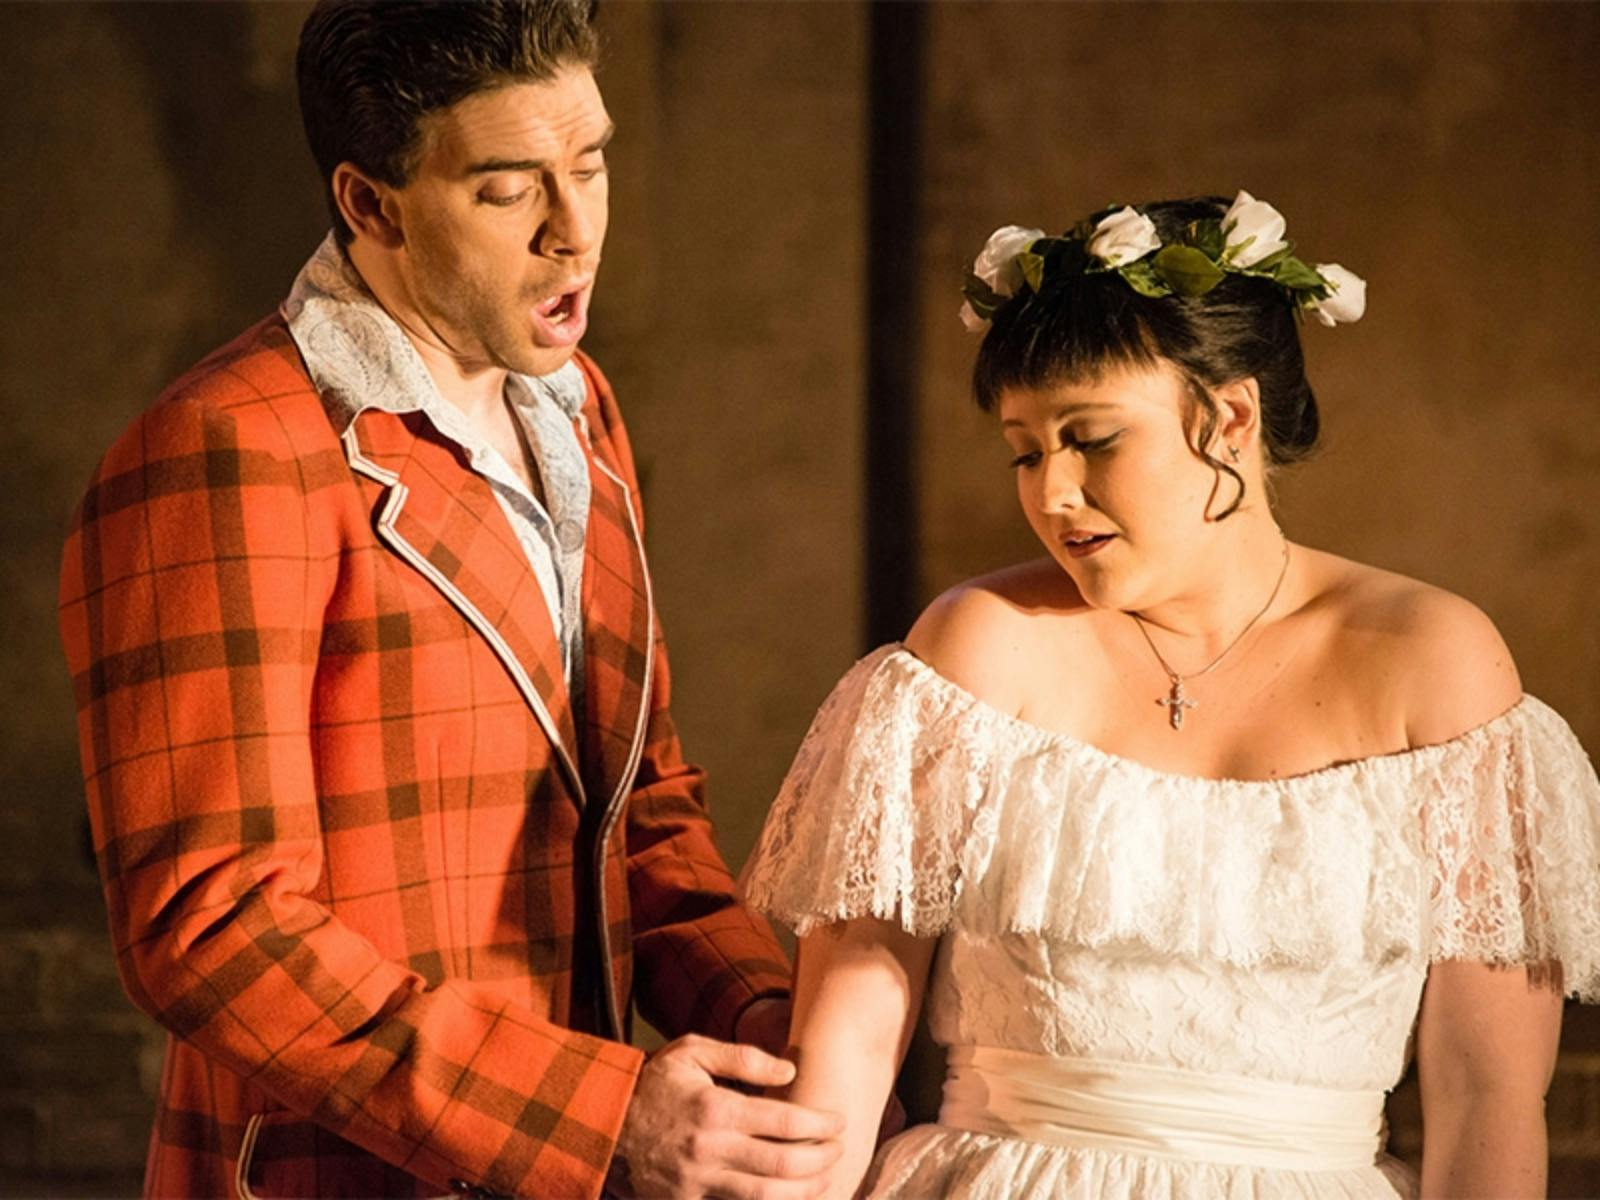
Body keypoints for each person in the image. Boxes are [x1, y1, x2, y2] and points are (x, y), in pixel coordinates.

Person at [57, 2, 845, 1196]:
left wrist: (778, 1034)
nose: (574, 232)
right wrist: (604, 1117)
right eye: (506, 190)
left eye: (591, 165)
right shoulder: (228, 448)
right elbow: (213, 929)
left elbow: (637, 805)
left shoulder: (576, 407)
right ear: (370, 203)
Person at [740, 192, 1600, 1197]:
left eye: (1094, 438)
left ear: (1228, 418)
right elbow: (843, 1057)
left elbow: (1486, 1099)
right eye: (1025, 450)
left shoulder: (1434, 664)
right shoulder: (977, 651)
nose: (1052, 493)